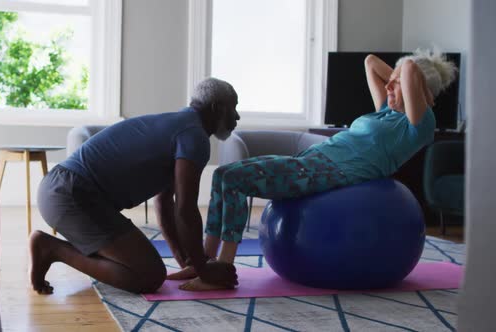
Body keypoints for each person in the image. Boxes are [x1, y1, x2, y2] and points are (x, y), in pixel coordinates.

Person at [168, 48, 458, 291]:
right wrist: (401, 77)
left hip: (331, 172)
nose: (388, 86)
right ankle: (204, 263)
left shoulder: (418, 125)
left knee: (233, 179)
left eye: (395, 82)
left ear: (418, 90)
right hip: (312, 160)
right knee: (222, 175)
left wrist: (413, 76)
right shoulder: (385, 110)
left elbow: (407, 67)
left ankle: (224, 270)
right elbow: (370, 61)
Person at [31, 77, 240, 294]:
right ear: (217, 108)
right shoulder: (194, 136)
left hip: (58, 190)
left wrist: (188, 262)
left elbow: (165, 202)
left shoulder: (180, 125)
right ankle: (52, 249)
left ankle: (52, 248)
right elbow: (185, 209)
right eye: (234, 108)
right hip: (72, 196)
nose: (237, 116)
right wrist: (204, 270)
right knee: (149, 276)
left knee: (141, 267)